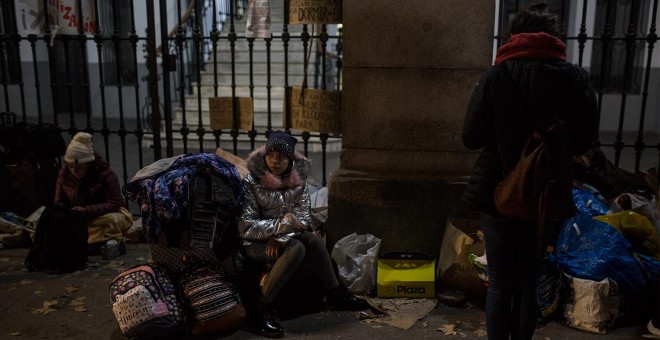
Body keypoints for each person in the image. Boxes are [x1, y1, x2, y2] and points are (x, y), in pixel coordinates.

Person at [461, 2, 598, 339]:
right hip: (547, 194)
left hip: (499, 191)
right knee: (528, 281)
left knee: (500, 283)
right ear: (553, 37)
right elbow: (583, 143)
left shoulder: (497, 75)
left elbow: (471, 137)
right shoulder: (576, 79)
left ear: (514, 36)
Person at [238, 130, 368, 338]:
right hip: (254, 242)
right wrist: (282, 225)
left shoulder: (298, 181)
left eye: (281, 156)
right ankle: (260, 309)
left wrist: (281, 236)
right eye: (271, 155)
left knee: (311, 241)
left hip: (281, 238)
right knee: (297, 248)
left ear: (290, 158)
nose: (275, 160)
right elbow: (246, 226)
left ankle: (335, 293)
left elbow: (303, 219)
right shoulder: (252, 182)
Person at [55, 132, 132, 249]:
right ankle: (86, 239)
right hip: (77, 218)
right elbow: (59, 202)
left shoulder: (105, 175)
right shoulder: (64, 175)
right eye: (71, 166)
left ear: (89, 164)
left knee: (113, 222)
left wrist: (86, 210)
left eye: (79, 167)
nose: (75, 171)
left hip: (100, 216)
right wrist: (67, 213)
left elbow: (115, 204)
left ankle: (76, 240)